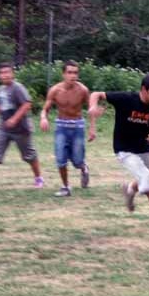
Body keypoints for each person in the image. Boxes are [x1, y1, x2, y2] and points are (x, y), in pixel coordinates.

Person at [87, 74, 149, 232]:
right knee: (148, 180)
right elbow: (96, 94)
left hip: (143, 147)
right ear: (143, 90)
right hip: (124, 149)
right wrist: (93, 107)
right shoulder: (126, 99)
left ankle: (129, 190)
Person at [0, 62, 44, 190]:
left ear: (12, 74)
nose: (5, 75)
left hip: (21, 128)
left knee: (29, 155)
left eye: (7, 72)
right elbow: (0, 105)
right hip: (4, 127)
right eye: (2, 73)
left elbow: (27, 104)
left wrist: (14, 119)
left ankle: (38, 178)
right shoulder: (1, 89)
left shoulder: (18, 88)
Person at [40, 60, 91, 197]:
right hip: (61, 127)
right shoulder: (55, 90)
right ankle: (65, 187)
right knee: (61, 159)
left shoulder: (83, 90)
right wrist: (43, 117)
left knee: (77, 160)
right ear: (63, 74)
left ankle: (84, 168)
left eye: (75, 73)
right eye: (69, 72)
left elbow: (92, 109)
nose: (73, 76)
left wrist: (92, 128)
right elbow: (45, 109)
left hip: (77, 127)